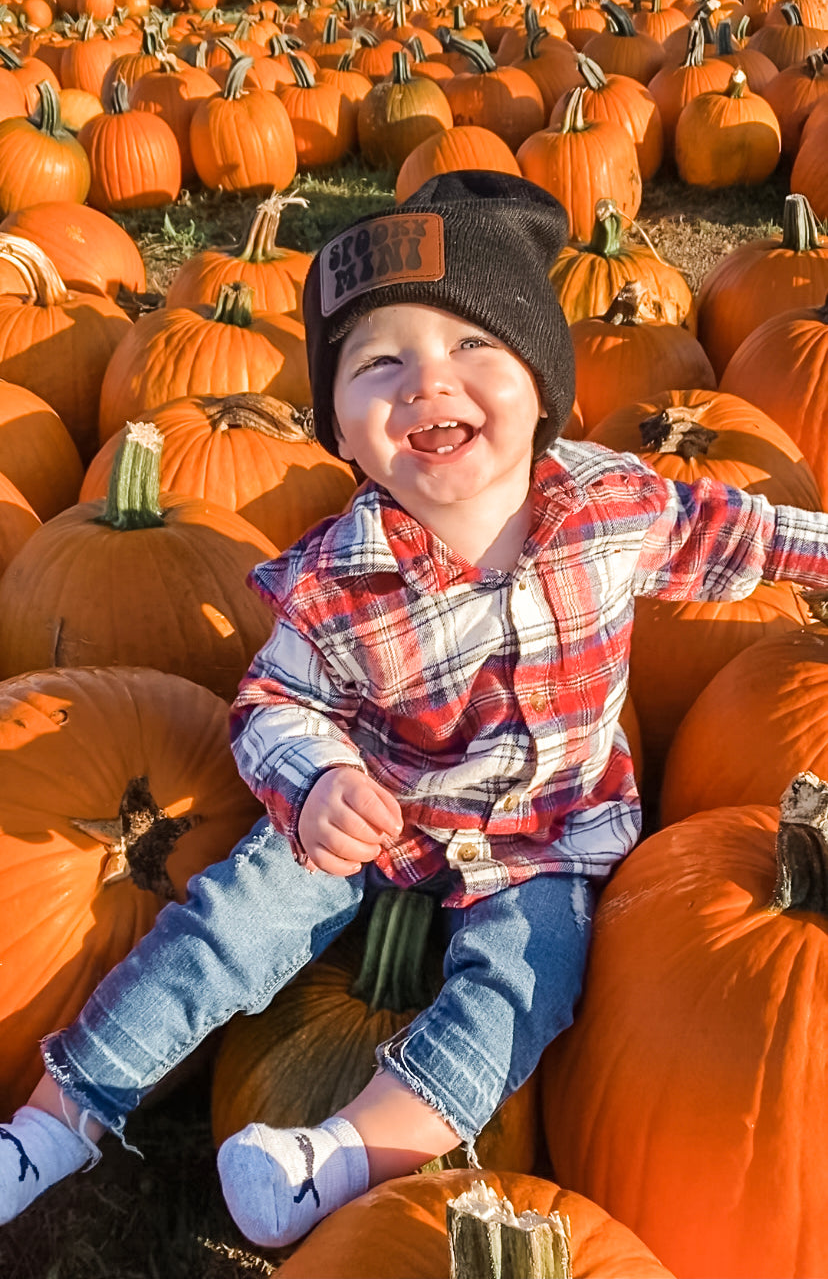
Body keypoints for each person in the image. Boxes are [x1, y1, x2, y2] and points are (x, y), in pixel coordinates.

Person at [1, 172, 826, 1248]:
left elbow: (757, 537)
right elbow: (272, 705)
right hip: (380, 817)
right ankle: (57, 1120)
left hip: (548, 841)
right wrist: (318, 780)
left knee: (526, 991)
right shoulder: (342, 574)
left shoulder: (614, 509)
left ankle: (339, 1154)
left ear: (543, 382)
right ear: (339, 426)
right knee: (224, 923)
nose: (427, 383)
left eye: (474, 347)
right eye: (378, 362)